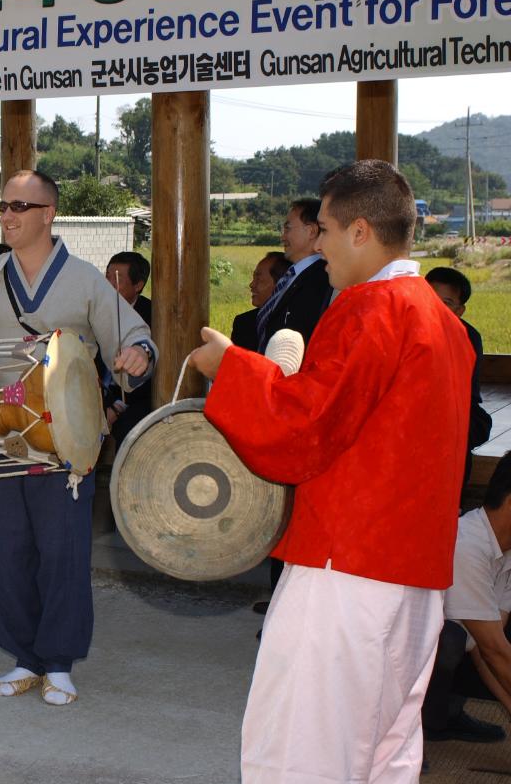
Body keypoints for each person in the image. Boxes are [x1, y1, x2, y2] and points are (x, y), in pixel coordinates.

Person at [188, 159, 473, 783]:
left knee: (304, 750)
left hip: (348, 566)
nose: (316, 243)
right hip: (414, 573)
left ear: (361, 232)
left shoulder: (373, 308)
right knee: (386, 751)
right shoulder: (441, 320)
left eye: (324, 228)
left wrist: (231, 368)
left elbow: (305, 427)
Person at [0, 170, 155, 706]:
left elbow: (132, 335)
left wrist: (137, 354)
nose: (8, 215)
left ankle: (58, 661)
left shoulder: (86, 280)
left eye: (20, 205)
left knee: (61, 553)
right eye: (2, 205)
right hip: (2, 438)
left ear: (48, 214)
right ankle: (23, 656)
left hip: (67, 443)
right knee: (6, 553)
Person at [421, 451, 511, 744]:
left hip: (463, 651)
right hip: (401, 652)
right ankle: (416, 728)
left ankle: (446, 712)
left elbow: (490, 652)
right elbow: (493, 650)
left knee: (473, 639)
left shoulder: (506, 553)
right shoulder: (467, 543)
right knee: (451, 639)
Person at [426, 266, 493, 480]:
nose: (435, 307)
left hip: (453, 408)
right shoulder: (406, 326)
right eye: (430, 298)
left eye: (446, 303)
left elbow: (466, 393)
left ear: (459, 311)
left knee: (461, 428)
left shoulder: (469, 337)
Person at [255, 198, 333, 350]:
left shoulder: (323, 279)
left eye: (288, 229)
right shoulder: (292, 275)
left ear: (311, 231)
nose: (282, 237)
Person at [102, 251, 154, 447]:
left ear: (138, 285)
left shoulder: (152, 315)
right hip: (99, 393)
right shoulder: (96, 310)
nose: (108, 285)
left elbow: (149, 376)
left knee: (130, 430)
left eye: (117, 279)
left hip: (133, 398)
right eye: (106, 277)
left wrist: (116, 408)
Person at [230, 252, 292, 352]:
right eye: (253, 278)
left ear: (281, 283)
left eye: (259, 279)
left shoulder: (291, 322)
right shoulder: (243, 323)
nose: (252, 284)